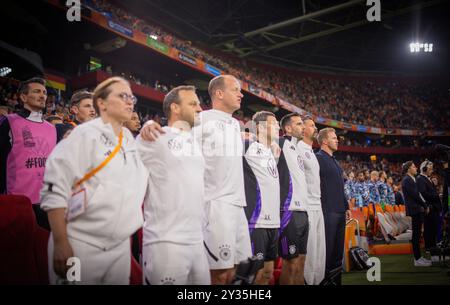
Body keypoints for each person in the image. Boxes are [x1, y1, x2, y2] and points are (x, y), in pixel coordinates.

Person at [140, 75, 251, 284]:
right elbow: (175, 136)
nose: (241, 94)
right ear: (219, 93)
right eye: (235, 89)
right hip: (215, 204)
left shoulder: (237, 125)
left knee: (238, 272)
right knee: (219, 274)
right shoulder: (203, 119)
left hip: (238, 204)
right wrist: (149, 128)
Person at [40, 77, 149, 284]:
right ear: (102, 103)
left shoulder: (128, 138)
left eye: (131, 97)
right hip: (80, 243)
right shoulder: (83, 135)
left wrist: (150, 127)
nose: (130, 101)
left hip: (119, 246)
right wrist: (62, 242)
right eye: (122, 96)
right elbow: (54, 188)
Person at [137, 85, 210, 285]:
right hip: (166, 242)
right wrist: (147, 125)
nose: (200, 108)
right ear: (175, 108)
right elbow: (124, 164)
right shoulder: (155, 136)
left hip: (197, 241)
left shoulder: (194, 142)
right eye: (193, 103)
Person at [0, 77, 56, 230]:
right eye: (36, 91)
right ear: (23, 97)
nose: (42, 96)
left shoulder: (51, 128)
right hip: (17, 201)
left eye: (44, 92)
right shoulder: (9, 121)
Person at [242, 111, 280, 285]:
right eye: (275, 123)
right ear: (261, 127)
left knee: (267, 272)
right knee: (254, 274)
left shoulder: (271, 152)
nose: (278, 126)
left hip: (273, 222)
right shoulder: (248, 146)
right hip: (257, 222)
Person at [315, 127, 351, 285]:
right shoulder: (318, 158)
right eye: (334, 137)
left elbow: (340, 187)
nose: (337, 140)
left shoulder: (335, 161)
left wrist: (346, 206)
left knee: (337, 254)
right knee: (327, 254)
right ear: (324, 141)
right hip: (327, 211)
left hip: (340, 211)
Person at [277, 113, 309, 285]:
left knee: (301, 262)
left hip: (303, 211)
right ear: (288, 128)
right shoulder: (279, 144)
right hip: (288, 211)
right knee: (291, 263)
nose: (303, 127)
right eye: (298, 124)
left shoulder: (298, 148)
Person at [296, 117, 326, 285]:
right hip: (307, 206)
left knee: (319, 251)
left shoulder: (311, 151)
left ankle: (317, 281)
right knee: (310, 252)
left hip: (317, 204)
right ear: (303, 130)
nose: (315, 128)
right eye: (312, 125)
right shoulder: (298, 148)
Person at [401, 161, 431, 267]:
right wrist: (425, 205)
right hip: (415, 209)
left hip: (416, 209)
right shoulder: (407, 180)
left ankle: (418, 257)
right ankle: (417, 259)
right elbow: (415, 196)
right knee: (416, 235)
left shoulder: (410, 179)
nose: (416, 168)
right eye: (414, 166)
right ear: (409, 168)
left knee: (417, 234)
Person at [416, 160, 441, 261]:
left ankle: (433, 250)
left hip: (433, 208)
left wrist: (434, 186)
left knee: (433, 230)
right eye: (430, 169)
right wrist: (438, 195)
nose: (432, 171)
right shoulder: (420, 179)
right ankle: (430, 250)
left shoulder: (426, 178)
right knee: (430, 230)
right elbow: (423, 193)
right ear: (424, 169)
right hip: (429, 208)